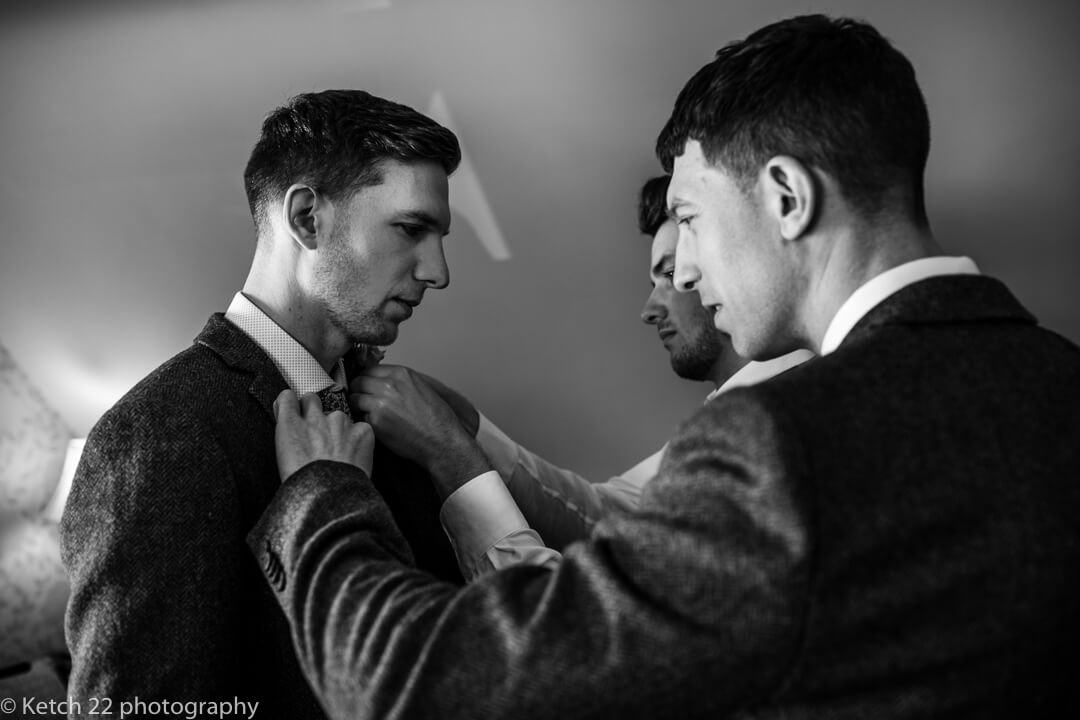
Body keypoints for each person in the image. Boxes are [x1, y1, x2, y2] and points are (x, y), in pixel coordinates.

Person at [252, 16, 1080, 719]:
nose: (682, 270)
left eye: (689, 215)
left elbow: (416, 682)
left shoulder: (778, 443)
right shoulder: (1059, 378)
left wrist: (323, 498)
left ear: (789, 198)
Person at [59, 90, 462, 716]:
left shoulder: (398, 413)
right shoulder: (159, 435)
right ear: (306, 218)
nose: (438, 271)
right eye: (411, 229)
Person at [352, 175, 811, 580]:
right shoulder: (737, 420)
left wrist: (451, 457)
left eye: (671, 273)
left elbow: (567, 634)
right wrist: (464, 425)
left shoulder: (773, 434)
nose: (651, 309)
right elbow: (605, 515)